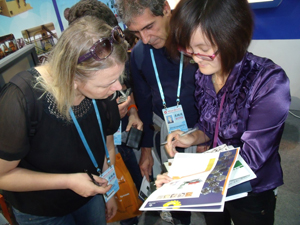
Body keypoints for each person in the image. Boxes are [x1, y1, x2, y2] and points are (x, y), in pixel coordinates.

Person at [157, 0, 291, 225]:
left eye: (204, 50)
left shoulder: (268, 81)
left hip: (251, 189)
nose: (194, 57)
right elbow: (210, 125)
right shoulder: (204, 74)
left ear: (232, 38)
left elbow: (251, 158)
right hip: (213, 181)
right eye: (189, 48)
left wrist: (182, 182)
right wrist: (191, 136)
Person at [0, 16, 128, 225]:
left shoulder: (105, 93)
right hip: (42, 211)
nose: (118, 88)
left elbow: (105, 147)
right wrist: (68, 181)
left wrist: (109, 192)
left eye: (118, 78)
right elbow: (2, 175)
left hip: (90, 198)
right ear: (73, 79)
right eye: (110, 82)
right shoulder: (21, 100)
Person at [115, 1, 199, 224]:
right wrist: (145, 151)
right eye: (136, 32)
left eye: (149, 27)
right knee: (178, 195)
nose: (144, 39)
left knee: (212, 196)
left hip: (205, 130)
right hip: (167, 134)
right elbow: (143, 103)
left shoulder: (197, 40)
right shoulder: (140, 54)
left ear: (165, 9)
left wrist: (206, 135)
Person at [65, 1, 143, 225]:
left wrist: (131, 110)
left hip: (117, 142)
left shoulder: (116, 59)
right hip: (88, 162)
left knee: (129, 191)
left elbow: (128, 89)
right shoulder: (70, 83)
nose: (108, 49)